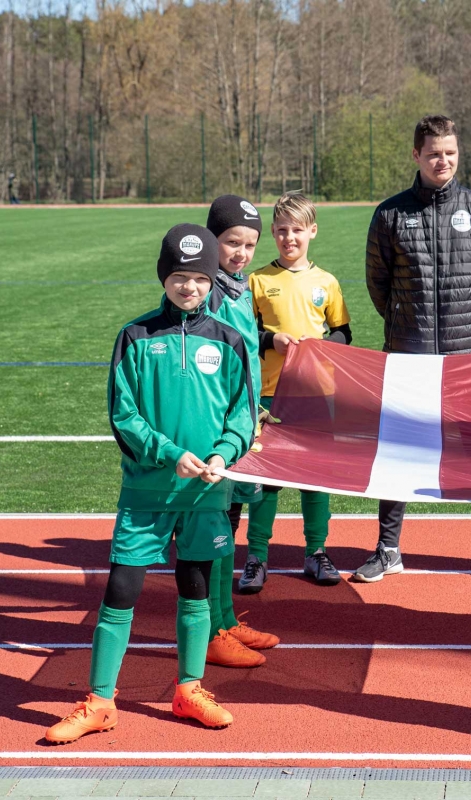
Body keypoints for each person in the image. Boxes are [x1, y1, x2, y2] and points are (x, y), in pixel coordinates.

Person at [44, 223, 257, 744]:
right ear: (165, 276)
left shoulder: (229, 340)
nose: (190, 288)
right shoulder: (135, 336)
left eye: (200, 279)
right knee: (121, 589)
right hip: (145, 492)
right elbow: (124, 415)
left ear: (212, 281)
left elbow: (243, 414)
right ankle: (99, 701)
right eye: (180, 277)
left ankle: (189, 690)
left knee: (196, 588)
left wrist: (222, 453)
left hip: (207, 491)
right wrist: (170, 453)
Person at [358, 114, 471, 585]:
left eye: (450, 152)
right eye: (434, 153)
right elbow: (378, 284)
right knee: (397, 450)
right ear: (416, 155)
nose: (443, 161)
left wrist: (464, 325)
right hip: (409, 357)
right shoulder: (391, 214)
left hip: (469, 357)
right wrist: (406, 324)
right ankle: (388, 549)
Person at [243, 191, 352, 591]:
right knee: (267, 480)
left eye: (298, 231)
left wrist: (325, 347)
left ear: (313, 231)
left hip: (316, 395)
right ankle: (256, 556)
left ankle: (317, 552)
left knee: (314, 478)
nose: (290, 238)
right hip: (270, 395)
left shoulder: (327, 282)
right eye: (283, 231)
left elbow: (343, 332)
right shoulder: (257, 280)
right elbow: (243, 337)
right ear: (273, 232)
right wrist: (272, 342)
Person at [203, 194, 280, 668]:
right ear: (212, 239)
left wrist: (255, 413)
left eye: (250, 244)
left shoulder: (235, 286)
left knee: (229, 527)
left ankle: (227, 617)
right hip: (216, 435)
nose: (242, 252)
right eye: (232, 242)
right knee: (214, 531)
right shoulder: (206, 291)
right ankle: (213, 632)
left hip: (241, 425)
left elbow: (246, 359)